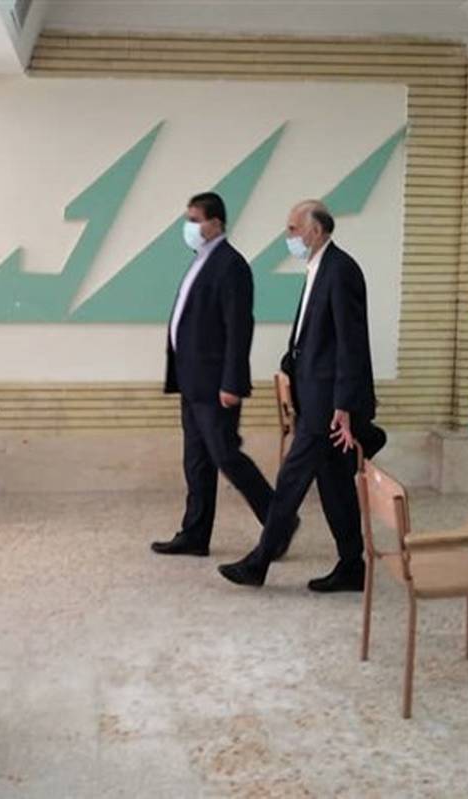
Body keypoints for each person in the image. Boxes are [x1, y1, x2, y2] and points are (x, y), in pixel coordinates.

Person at [219, 200, 386, 592]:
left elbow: (351, 343)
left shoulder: (341, 270)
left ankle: (259, 562)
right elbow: (312, 337)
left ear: (316, 230)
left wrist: (343, 404)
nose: (289, 235)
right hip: (314, 397)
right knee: (335, 484)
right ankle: (352, 566)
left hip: (327, 405)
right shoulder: (318, 269)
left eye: (294, 228)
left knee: (292, 480)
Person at [153, 192, 297, 557]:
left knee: (226, 456)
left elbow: (239, 327)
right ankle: (195, 534)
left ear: (215, 223)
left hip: (216, 384)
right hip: (192, 380)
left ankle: (280, 521)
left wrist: (232, 382)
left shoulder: (231, 265)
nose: (189, 226)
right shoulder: (201, 261)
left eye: (195, 219)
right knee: (197, 460)